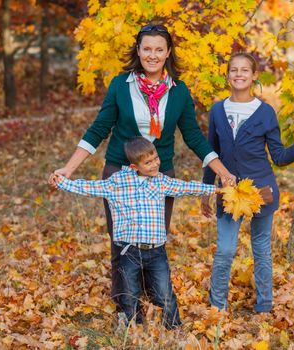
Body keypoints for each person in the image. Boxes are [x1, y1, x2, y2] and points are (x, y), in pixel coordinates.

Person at [49, 22, 235, 317]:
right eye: (146, 48)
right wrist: (69, 169)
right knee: (121, 241)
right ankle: (125, 304)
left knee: (154, 241)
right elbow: (98, 129)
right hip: (120, 173)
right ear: (138, 50)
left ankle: (153, 299)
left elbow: (194, 137)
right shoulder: (120, 86)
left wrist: (222, 171)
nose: (152, 55)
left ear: (168, 52)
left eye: (158, 49)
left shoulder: (179, 91)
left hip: (160, 176)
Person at [51, 137, 220, 328]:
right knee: (129, 294)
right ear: (133, 166)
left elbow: (186, 187)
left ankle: (173, 328)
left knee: (165, 294)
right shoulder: (117, 183)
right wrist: (63, 182)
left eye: (156, 158)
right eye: (148, 162)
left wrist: (215, 189)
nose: (155, 164)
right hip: (129, 251)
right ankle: (133, 328)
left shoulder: (161, 181)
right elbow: (88, 187)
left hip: (156, 252)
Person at [201, 52, 294, 313]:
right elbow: (211, 153)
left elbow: (278, 157)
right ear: (228, 75)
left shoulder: (265, 112)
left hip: (261, 190)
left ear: (255, 76)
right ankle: (216, 306)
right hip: (229, 192)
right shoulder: (218, 110)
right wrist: (207, 190)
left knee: (261, 249)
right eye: (233, 70)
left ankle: (265, 306)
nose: (239, 74)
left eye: (245, 70)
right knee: (225, 250)